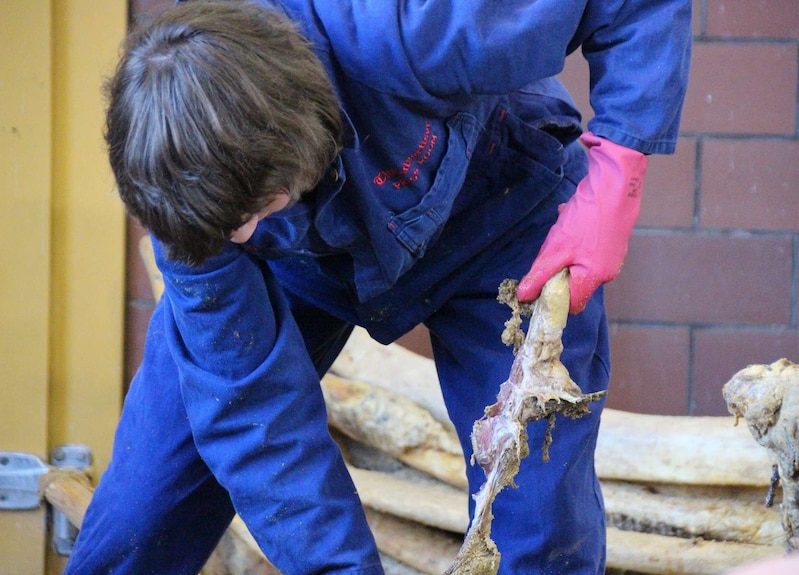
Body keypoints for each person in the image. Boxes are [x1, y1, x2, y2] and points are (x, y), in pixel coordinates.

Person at [67, 1, 691, 573]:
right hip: (304, 252)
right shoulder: (188, 196)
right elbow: (254, 418)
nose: (236, 236)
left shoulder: (420, 27)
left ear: (293, 142)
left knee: (533, 518)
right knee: (140, 513)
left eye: (249, 213)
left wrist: (619, 171)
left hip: (499, 208)